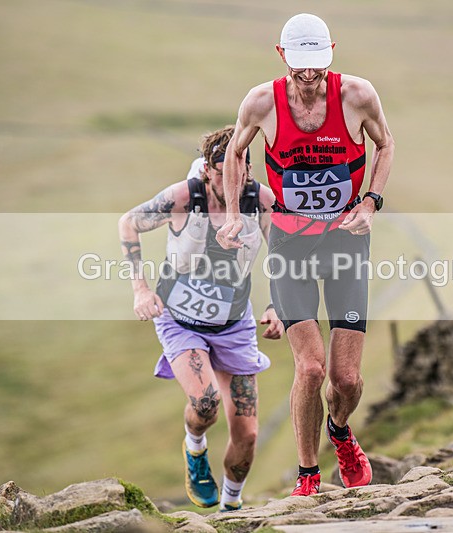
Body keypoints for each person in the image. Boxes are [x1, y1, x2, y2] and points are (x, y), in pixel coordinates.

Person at [216, 13, 394, 496]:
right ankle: (307, 475)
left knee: (347, 380)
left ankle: (340, 431)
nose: (309, 75)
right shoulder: (260, 103)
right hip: (290, 245)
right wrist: (233, 213)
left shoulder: (357, 95)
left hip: (345, 240)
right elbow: (235, 154)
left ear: (331, 53)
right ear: (281, 56)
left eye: (317, 64)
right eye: (300, 66)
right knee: (311, 368)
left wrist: (370, 203)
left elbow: (385, 144)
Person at [118, 126, 284, 510]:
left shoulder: (261, 201)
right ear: (208, 170)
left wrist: (277, 305)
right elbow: (129, 222)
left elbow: (281, 254)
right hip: (180, 319)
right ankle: (195, 451)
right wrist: (140, 290)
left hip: (234, 323)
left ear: (248, 167)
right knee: (206, 404)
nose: (232, 175)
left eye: (240, 165)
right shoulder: (183, 197)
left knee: (247, 433)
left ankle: (231, 508)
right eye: (223, 167)